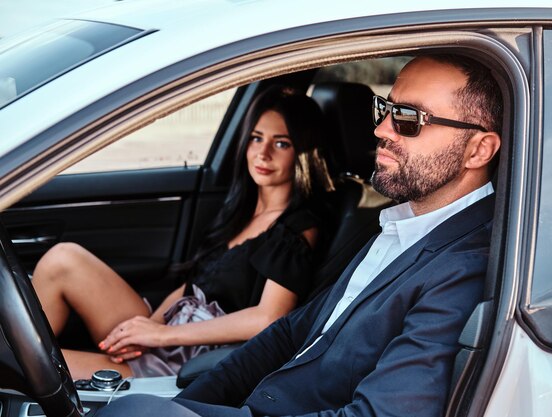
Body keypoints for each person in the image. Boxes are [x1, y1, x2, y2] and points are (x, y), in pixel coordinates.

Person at [96, 52, 503, 417]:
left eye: (409, 119)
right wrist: (191, 406)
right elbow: (290, 333)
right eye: (385, 108)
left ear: (478, 150)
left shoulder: (465, 264)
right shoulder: (400, 225)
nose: (381, 129)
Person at [31, 85, 334, 380]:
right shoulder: (239, 211)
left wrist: (162, 335)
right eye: (256, 138)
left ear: (303, 153)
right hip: (172, 331)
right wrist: (144, 328)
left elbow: (268, 318)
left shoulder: (296, 229)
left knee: (27, 364)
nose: (262, 154)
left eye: (281, 143)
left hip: (193, 359)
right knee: (63, 258)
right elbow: (192, 284)